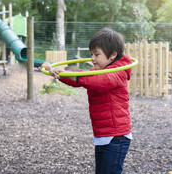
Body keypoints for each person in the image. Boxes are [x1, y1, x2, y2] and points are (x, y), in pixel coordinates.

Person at [39, 28, 132, 174]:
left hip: (116, 137)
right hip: (103, 134)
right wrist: (59, 73)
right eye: (91, 54)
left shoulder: (118, 73)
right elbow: (79, 81)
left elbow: (96, 81)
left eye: (96, 54)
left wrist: (63, 72)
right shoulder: (100, 69)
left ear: (113, 54)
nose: (92, 58)